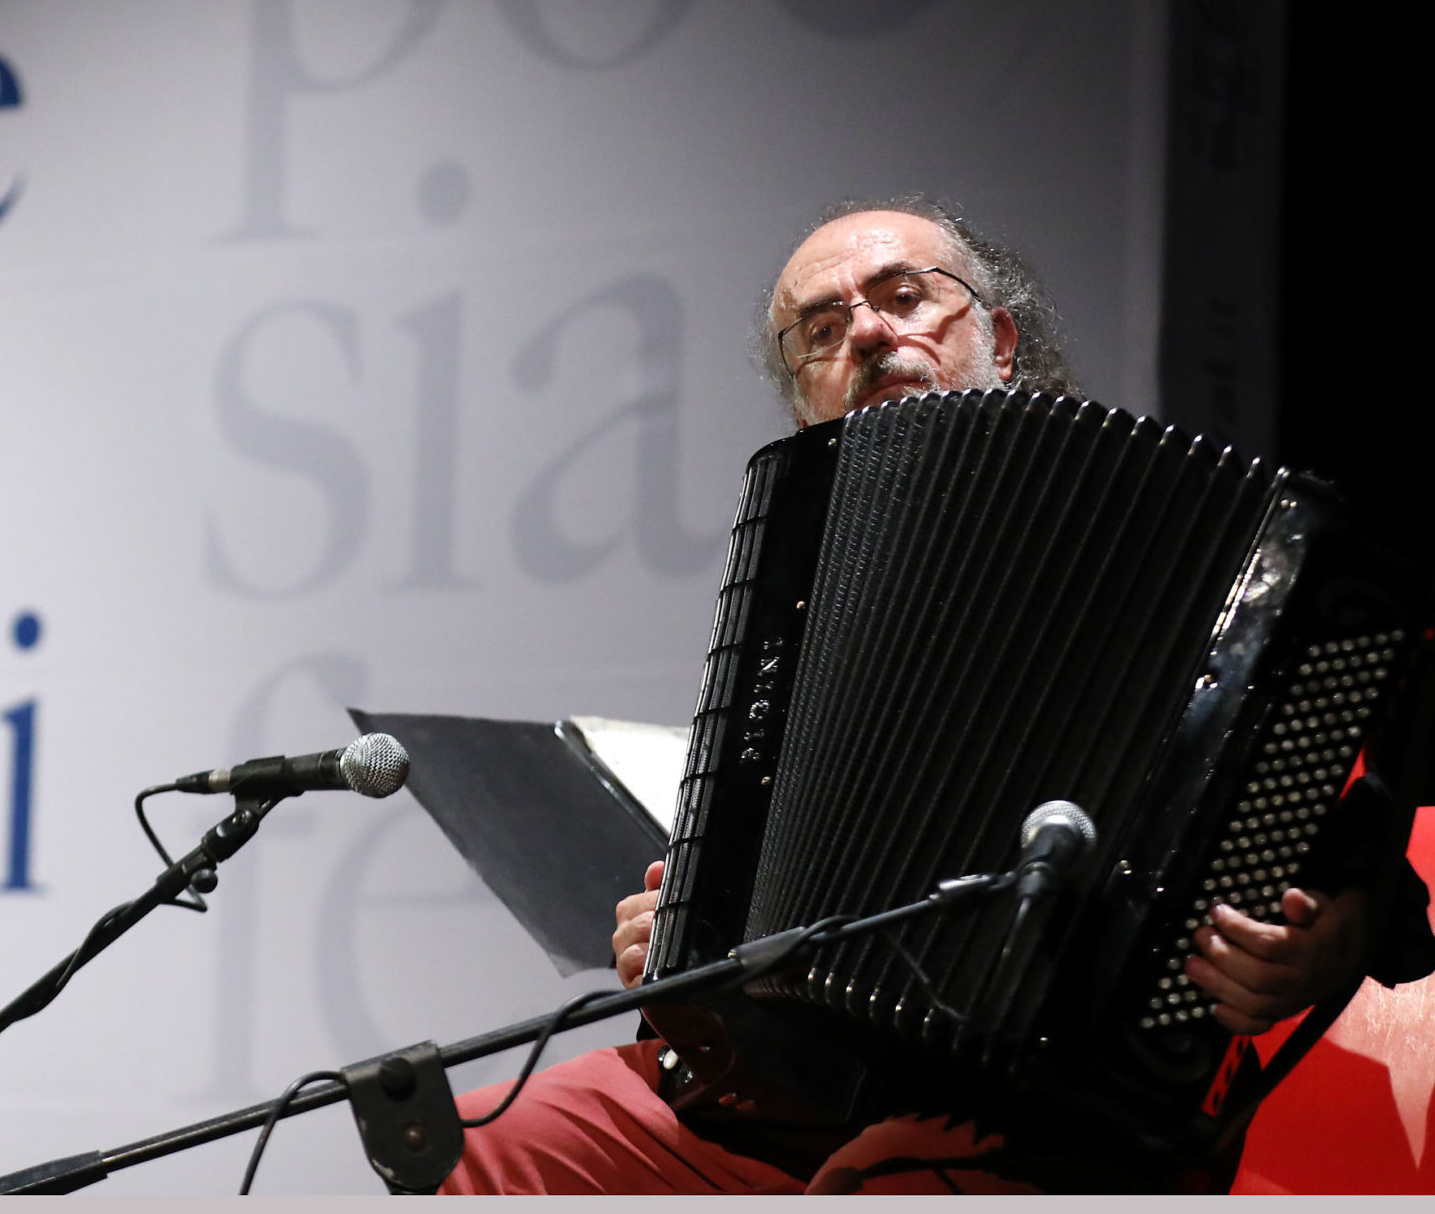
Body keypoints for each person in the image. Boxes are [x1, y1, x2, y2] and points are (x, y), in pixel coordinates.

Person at [440, 196, 1431, 1195]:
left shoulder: (1174, 540)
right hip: (793, 1080)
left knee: (891, 1178)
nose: (869, 332)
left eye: (905, 297)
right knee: (499, 1140)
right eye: (822, 330)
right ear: (804, 403)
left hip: (1062, 1092)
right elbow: (765, 863)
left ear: (999, 340)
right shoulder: (794, 581)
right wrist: (688, 937)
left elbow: (1367, 847)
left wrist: (1329, 935)